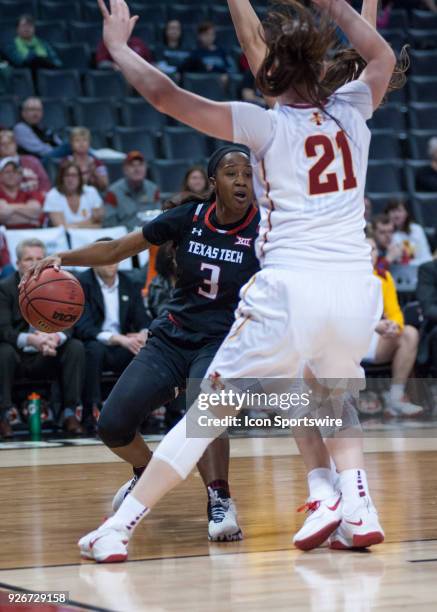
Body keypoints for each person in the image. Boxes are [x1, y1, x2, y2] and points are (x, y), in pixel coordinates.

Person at [26, 0, 396, 561]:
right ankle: (349, 497)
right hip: (354, 289)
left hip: (291, 289)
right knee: (322, 396)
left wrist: (121, 50)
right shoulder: (355, 108)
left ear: (270, 74)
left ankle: (119, 526)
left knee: (208, 414)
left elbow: (165, 96)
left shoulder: (264, 124)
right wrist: (340, 7)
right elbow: (381, 54)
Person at [27, 144, 259, 544]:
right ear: (213, 182)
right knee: (112, 424)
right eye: (231, 173)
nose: (241, 181)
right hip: (172, 335)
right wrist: (60, 257)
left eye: (248, 174)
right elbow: (116, 248)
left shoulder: (266, 228)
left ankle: (219, 498)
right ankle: (146, 475)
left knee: (204, 407)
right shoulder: (187, 217)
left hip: (222, 342)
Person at [0, 239, 85, 437]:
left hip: (48, 353)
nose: (34, 263)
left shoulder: (61, 283)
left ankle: (70, 413)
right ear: (18, 263)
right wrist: (33, 340)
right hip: (18, 355)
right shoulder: (5, 288)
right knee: (2, 351)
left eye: (39, 258)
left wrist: (54, 338)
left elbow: (71, 321)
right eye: (29, 259)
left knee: (75, 347)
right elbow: (3, 330)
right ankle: (3, 417)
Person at [74, 238, 150, 427]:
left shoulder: (129, 283)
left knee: (144, 350)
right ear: (93, 261)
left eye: (115, 257)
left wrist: (143, 333)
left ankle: (138, 413)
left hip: (124, 344)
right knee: (93, 350)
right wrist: (117, 338)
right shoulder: (81, 283)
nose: (111, 262)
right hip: (97, 342)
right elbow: (83, 327)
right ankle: (92, 411)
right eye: (105, 257)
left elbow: (143, 320)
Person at [363, 237, 423, 417]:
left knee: (409, 333)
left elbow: (395, 312)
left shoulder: (383, 276)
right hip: (347, 339)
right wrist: (373, 324)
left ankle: (395, 398)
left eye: (373, 249)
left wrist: (393, 325)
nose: (369, 253)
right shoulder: (342, 277)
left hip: (376, 339)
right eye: (364, 249)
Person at [103, 151, 160, 231]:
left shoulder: (153, 189)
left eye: (140, 165)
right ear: (125, 170)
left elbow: (159, 218)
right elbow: (109, 224)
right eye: (132, 165)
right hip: (123, 238)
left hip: (149, 236)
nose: (137, 169)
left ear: (145, 168)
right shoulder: (113, 192)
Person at [43, 161, 103, 229]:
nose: (70, 179)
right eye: (67, 175)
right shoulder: (53, 195)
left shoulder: (91, 192)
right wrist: (89, 223)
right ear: (61, 178)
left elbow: (98, 225)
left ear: (80, 178)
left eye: (74, 175)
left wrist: (72, 226)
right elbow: (61, 228)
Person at [0, 129, 51, 194]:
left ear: (15, 144)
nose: (7, 146)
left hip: (35, 199)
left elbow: (44, 183)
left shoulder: (32, 161)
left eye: (10, 143)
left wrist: (39, 198)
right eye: (2, 144)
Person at [0, 157, 44, 229]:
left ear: (20, 175)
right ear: (0, 175)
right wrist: (29, 220)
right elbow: (2, 217)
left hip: (30, 235)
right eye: (7, 172)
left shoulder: (30, 193)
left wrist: (9, 207)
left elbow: (36, 212)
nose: (11, 175)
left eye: (15, 171)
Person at [385, 200, 432, 266]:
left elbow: (426, 256)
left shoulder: (416, 229)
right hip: (395, 271)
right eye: (393, 211)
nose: (396, 215)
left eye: (399, 211)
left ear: (407, 213)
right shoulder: (385, 232)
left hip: (421, 268)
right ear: (387, 214)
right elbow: (381, 266)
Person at [64, 128, 109, 193]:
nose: (81, 143)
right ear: (71, 144)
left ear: (89, 143)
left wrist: (95, 173)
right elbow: (62, 185)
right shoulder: (66, 162)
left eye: (85, 140)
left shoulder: (97, 163)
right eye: (77, 140)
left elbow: (104, 186)